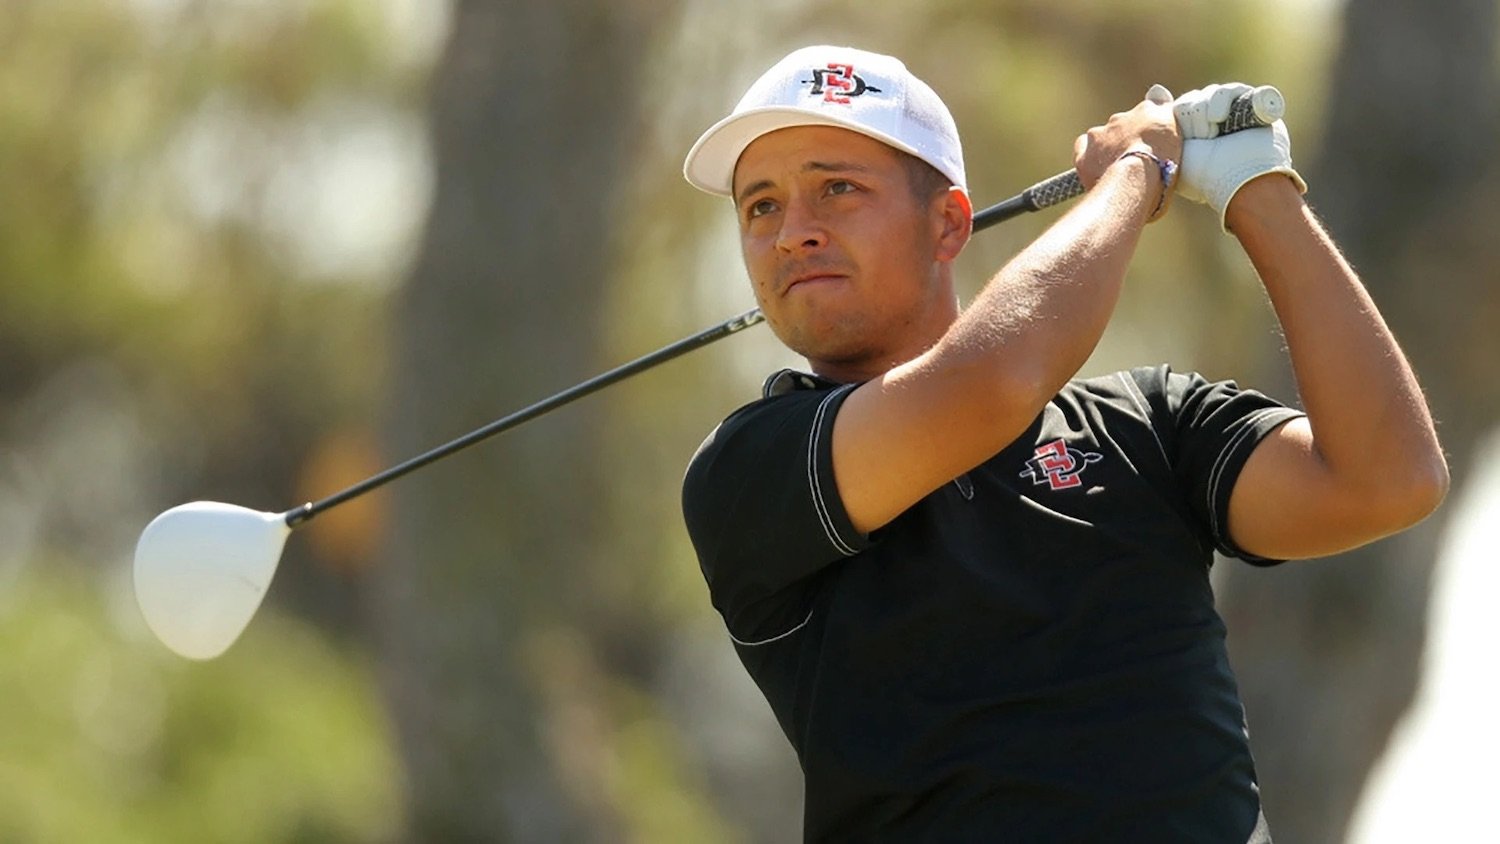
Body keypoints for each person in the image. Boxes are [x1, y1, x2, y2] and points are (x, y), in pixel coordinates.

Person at [678, 45, 1447, 842]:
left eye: (837, 188)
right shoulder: (748, 469)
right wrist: (1135, 175)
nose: (792, 232)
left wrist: (1257, 189)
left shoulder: (1148, 423)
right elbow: (993, 382)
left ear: (947, 224)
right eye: (761, 206)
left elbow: (1387, 480)